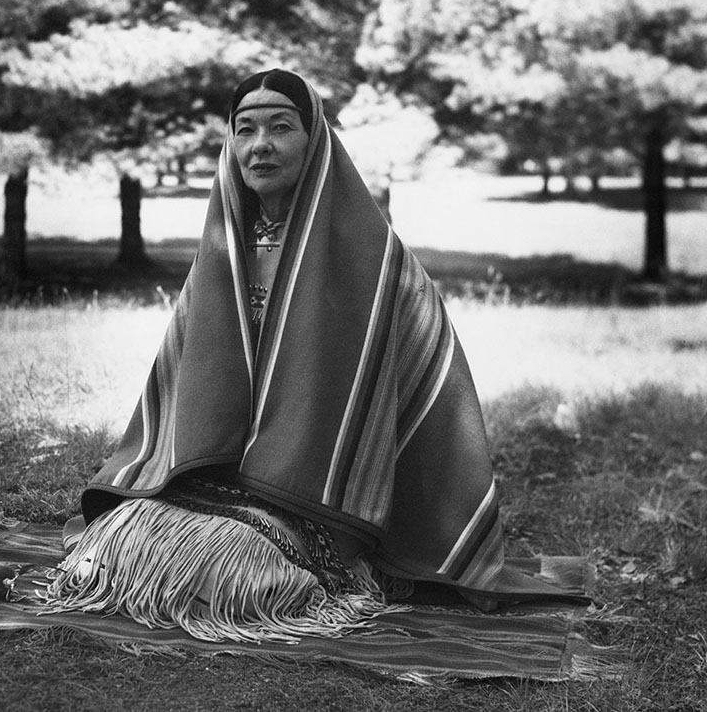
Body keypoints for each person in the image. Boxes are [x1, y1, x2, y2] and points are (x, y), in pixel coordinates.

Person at [43, 69, 585, 642]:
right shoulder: (224, 252)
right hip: (219, 467)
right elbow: (191, 382)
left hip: (321, 487)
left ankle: (283, 585)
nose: (261, 146)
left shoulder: (375, 265)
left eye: (281, 127)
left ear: (315, 141)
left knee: (236, 568)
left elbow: (421, 386)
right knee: (122, 539)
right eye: (244, 129)